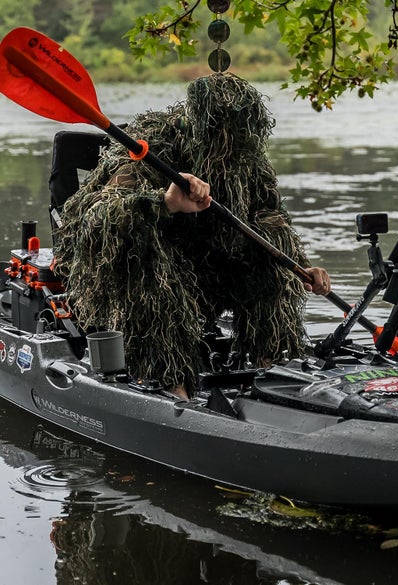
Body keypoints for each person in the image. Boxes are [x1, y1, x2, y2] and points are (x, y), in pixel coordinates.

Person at [54, 73, 330, 398]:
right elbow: (100, 219)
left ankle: (274, 368)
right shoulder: (151, 145)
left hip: (207, 272)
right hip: (145, 279)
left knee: (269, 247)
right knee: (144, 250)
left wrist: (300, 267)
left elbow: (270, 217)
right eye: (223, 134)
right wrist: (166, 203)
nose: (233, 145)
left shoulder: (247, 160)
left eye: (240, 136)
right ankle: (172, 385)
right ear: (203, 128)